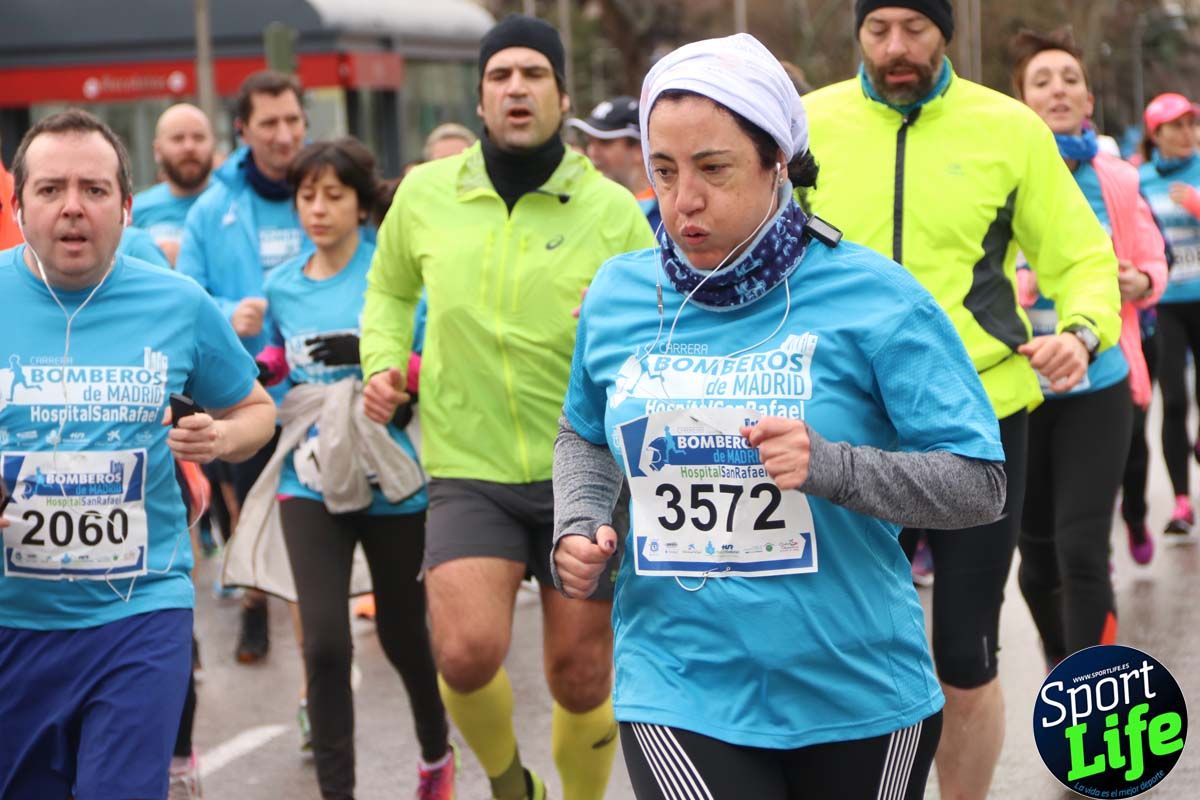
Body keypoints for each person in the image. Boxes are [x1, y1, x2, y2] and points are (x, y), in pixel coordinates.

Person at [553, 33, 1006, 799]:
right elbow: (585, 434)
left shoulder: (878, 299)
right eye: (662, 171)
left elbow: (979, 484)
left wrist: (830, 466)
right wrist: (580, 516)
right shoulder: (619, 296)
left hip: (857, 692)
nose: (682, 200)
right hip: (678, 682)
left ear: (778, 165)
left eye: (712, 168)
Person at [802, 3, 1121, 798]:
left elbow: (1081, 254)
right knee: (842, 645)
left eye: (915, 27)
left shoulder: (1008, 128)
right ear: (858, 33)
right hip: (841, 417)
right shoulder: (805, 125)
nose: (897, 48)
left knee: (964, 652)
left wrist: (1080, 333)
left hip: (975, 417)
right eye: (879, 29)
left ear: (945, 32)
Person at [360, 14, 655, 800]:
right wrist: (384, 364)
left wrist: (617, 324)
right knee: (463, 651)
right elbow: (389, 290)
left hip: (583, 466)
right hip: (470, 464)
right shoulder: (425, 194)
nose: (516, 88)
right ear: (482, 97)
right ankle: (506, 782)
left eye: (533, 75)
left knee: (581, 672)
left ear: (562, 95)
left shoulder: (612, 209)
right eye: (500, 77)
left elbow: (659, 326)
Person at [0, 109, 274, 800]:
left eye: (94, 190)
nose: (72, 208)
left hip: (137, 612)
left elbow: (257, 411)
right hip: (12, 619)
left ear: (127, 207)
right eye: (50, 189)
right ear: (18, 203)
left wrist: (219, 437)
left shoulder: (177, 304)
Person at [252, 138, 453, 800]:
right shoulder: (281, 284)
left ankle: (434, 750)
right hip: (306, 477)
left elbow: (435, 366)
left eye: (333, 196)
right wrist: (264, 364)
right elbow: (279, 360)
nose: (318, 209)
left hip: (390, 473)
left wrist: (387, 369)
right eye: (307, 196)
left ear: (362, 205)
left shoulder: (391, 274)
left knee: (401, 632)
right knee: (326, 646)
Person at [1009, 29, 1167, 665]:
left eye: (1070, 77)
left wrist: (1141, 280)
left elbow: (1153, 255)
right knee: (1037, 556)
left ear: (1089, 98)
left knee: (1081, 548)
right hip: (1019, 388)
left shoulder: (1118, 178)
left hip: (1098, 381)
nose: (1058, 89)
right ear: (1019, 100)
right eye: (1042, 80)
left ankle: (1090, 700)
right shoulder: (1001, 171)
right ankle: (1062, 668)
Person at [178, 70, 310, 663]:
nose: (284, 135)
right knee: (246, 512)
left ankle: (311, 636)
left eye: (293, 120)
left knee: (310, 522)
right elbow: (188, 292)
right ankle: (255, 605)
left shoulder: (327, 187)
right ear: (243, 129)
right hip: (243, 393)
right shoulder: (213, 209)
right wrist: (233, 315)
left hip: (316, 391)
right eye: (269, 123)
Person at [1138, 92, 1200, 540]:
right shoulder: (1138, 180)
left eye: (1191, 125)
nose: (1186, 134)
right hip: (1166, 304)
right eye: (1176, 126)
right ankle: (1181, 503)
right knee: (1174, 400)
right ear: (1155, 134)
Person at [132, 104, 218, 265]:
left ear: (213, 145)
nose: (189, 147)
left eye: (199, 138)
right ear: (157, 150)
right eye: (178, 138)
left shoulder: (235, 204)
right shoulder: (136, 210)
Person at [567, 96, 660, 231]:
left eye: (605, 142)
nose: (592, 152)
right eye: (589, 142)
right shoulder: (586, 210)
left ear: (640, 150)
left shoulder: (670, 213)